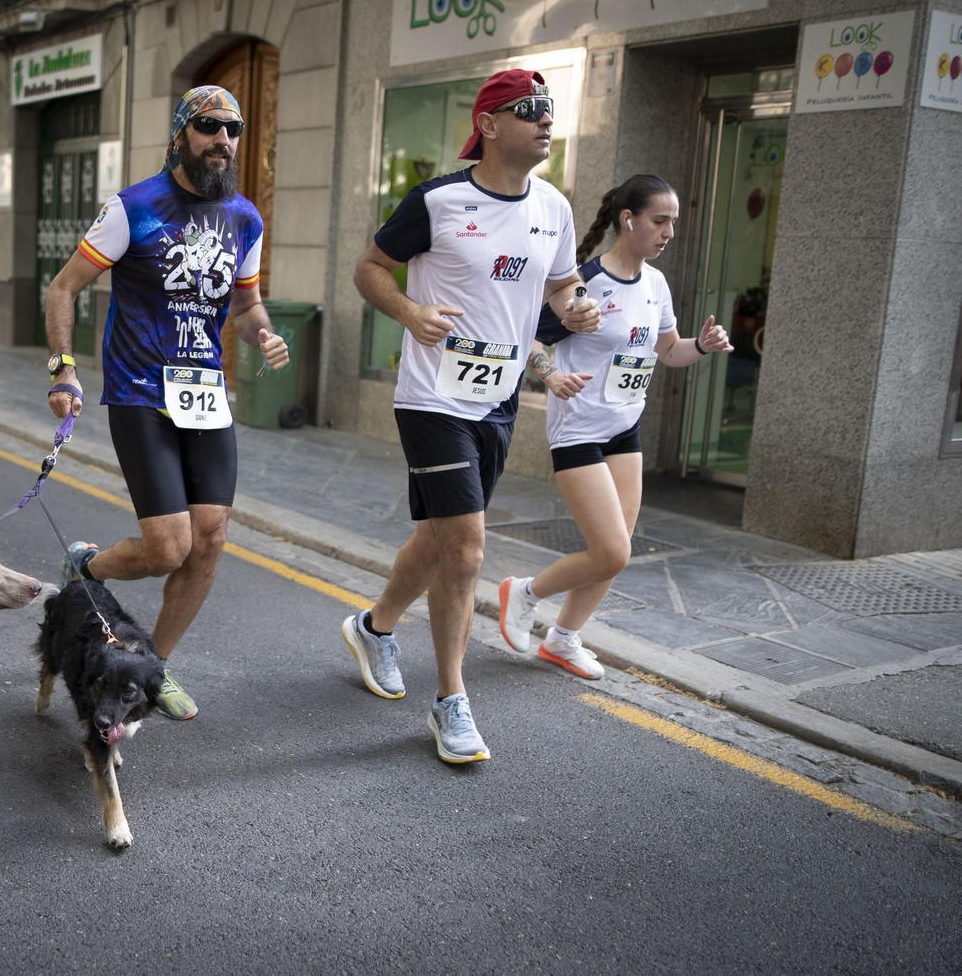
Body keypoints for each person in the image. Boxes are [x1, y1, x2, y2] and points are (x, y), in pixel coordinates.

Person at [339, 69, 599, 765]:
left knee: (439, 539)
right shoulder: (439, 201)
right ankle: (451, 701)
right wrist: (410, 311)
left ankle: (374, 626)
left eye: (551, 111)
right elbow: (369, 268)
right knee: (469, 551)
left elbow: (564, 286)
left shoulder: (554, 206)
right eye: (530, 110)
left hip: (499, 398)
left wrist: (577, 308)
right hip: (431, 397)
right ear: (487, 124)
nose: (547, 121)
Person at [43, 86, 289, 721]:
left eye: (232, 130)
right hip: (139, 392)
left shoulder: (244, 217)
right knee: (167, 548)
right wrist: (63, 369)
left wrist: (262, 330)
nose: (223, 141)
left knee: (209, 539)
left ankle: (153, 666)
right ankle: (87, 566)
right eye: (209, 127)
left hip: (204, 394)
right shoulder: (133, 207)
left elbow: (243, 302)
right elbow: (64, 287)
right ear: (182, 132)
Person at [497, 175, 732, 677]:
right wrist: (552, 375)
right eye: (660, 220)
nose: (669, 231)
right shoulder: (585, 284)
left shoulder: (656, 284)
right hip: (579, 429)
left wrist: (704, 346)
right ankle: (524, 592)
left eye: (673, 222)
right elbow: (530, 343)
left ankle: (564, 638)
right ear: (629, 220)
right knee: (613, 552)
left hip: (625, 429)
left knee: (615, 549)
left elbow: (668, 351)